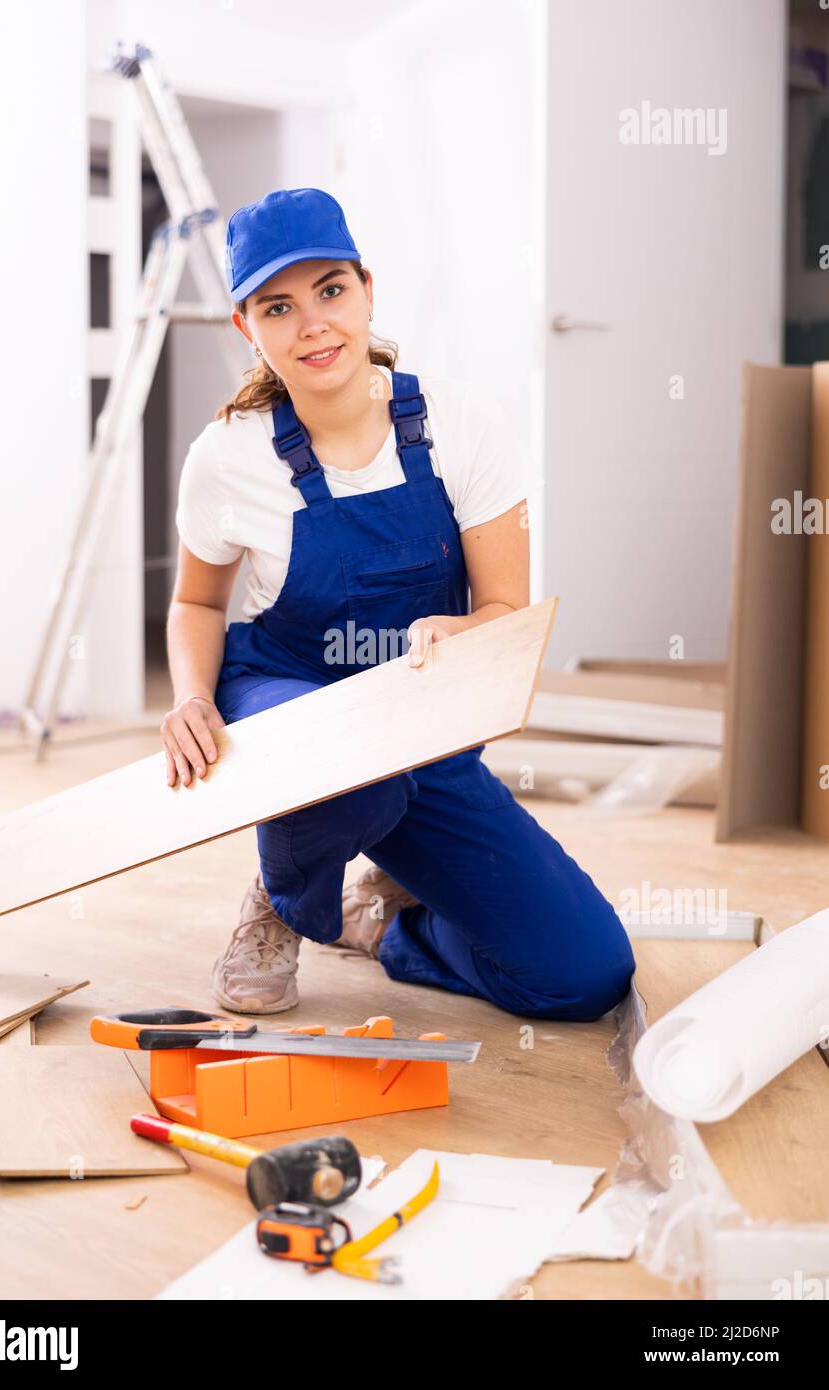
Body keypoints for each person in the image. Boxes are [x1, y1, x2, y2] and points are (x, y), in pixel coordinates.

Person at [163, 187, 636, 1019]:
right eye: (280, 306)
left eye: (331, 291)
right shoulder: (228, 457)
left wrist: (468, 634)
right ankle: (283, 899)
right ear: (248, 327)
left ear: (367, 289)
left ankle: (380, 922)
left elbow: (504, 613)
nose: (312, 325)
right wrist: (192, 699)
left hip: (421, 726)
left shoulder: (462, 425)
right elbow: (199, 603)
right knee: (353, 771)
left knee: (582, 973)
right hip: (290, 698)